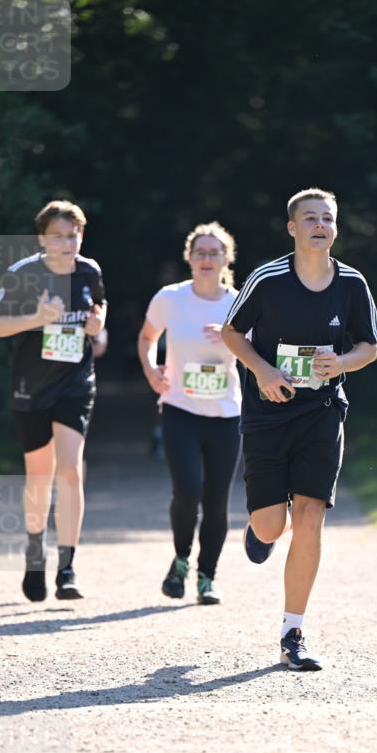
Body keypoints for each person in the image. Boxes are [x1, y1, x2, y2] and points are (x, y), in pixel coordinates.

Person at [221, 187, 377, 671]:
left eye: (327, 219)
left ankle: (293, 631)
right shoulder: (267, 279)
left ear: (335, 227)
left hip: (323, 410)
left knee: (311, 516)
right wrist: (263, 372)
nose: (319, 225)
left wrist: (343, 362)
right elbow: (232, 332)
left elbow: (369, 346)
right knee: (274, 523)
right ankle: (260, 529)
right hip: (268, 411)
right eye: (309, 218)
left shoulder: (352, 283)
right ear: (292, 228)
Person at [0, 200, 107, 602]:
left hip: (76, 382)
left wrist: (97, 328)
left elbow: (99, 327)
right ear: (42, 238)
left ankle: (67, 569)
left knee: (70, 470)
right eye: (58, 236)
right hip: (31, 387)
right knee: (39, 476)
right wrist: (36, 318)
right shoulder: (24, 274)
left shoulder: (90, 272)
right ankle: (35, 553)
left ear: (81, 236)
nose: (67, 243)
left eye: (73, 235)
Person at [138, 222, 241, 605]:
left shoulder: (239, 301)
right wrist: (151, 369)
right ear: (189, 257)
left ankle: (207, 576)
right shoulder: (171, 298)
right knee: (187, 490)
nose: (207, 259)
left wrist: (233, 338)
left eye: (215, 253)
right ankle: (181, 560)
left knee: (216, 500)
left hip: (226, 414)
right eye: (200, 252)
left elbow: (262, 350)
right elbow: (148, 338)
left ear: (226, 259)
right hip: (179, 408)